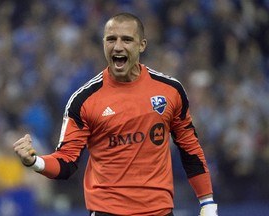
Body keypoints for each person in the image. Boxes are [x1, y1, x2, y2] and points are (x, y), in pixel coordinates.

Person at [13, 12, 218, 216]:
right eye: (111, 39)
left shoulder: (170, 90)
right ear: (103, 44)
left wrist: (207, 201)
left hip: (159, 212)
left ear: (142, 45)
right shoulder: (83, 100)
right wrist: (34, 161)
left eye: (127, 39)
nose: (118, 46)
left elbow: (189, 148)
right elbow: (66, 162)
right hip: (107, 212)